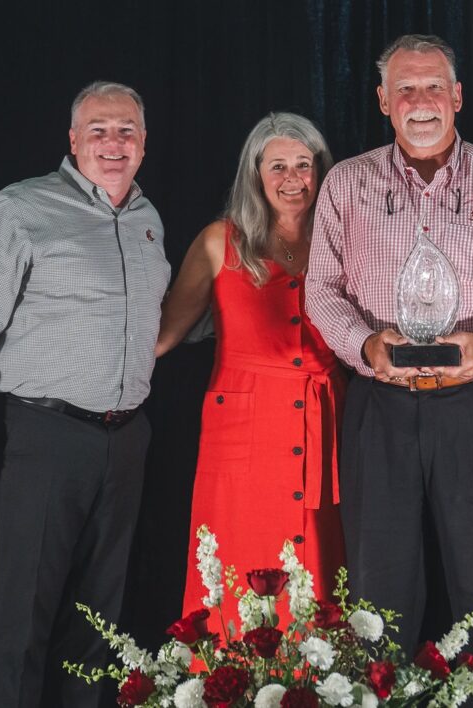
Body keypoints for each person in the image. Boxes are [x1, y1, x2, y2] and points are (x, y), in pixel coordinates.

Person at [306, 34, 473, 707]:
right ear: (383, 102)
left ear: (457, 97)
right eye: (404, 89)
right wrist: (366, 346)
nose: (419, 102)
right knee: (376, 594)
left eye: (432, 88)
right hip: (380, 408)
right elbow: (323, 292)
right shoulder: (347, 182)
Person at [0, 81, 168, 707]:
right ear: (72, 140)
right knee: (24, 615)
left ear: (143, 142)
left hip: (126, 438)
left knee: (100, 618)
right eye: (98, 130)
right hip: (43, 436)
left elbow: (155, 318)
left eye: (126, 131)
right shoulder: (20, 208)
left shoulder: (147, 218)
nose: (112, 143)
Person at [156, 113, 345, 632]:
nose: (292, 179)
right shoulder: (220, 241)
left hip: (328, 425)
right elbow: (160, 337)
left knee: (325, 570)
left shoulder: (345, 242)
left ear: (321, 171)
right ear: (255, 175)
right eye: (277, 166)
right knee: (238, 568)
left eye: (304, 165)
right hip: (242, 430)